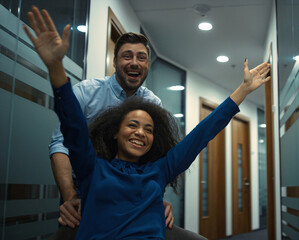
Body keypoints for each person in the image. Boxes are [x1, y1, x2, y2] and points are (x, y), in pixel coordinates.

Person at [24, 5, 270, 239]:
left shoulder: (158, 170)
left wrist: (243, 91)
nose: (141, 132)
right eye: (132, 125)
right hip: (83, 200)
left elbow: (202, 134)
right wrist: (56, 67)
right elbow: (71, 129)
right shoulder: (93, 167)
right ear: (114, 133)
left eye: (149, 129)